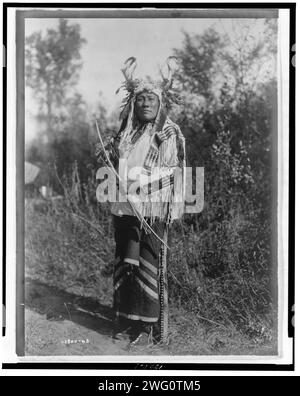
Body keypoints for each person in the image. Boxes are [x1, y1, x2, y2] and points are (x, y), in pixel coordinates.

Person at [97, 57, 186, 346]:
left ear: (161, 104)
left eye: (151, 99)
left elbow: (174, 171)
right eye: (141, 99)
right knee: (126, 263)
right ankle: (125, 320)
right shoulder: (126, 133)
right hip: (126, 209)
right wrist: (108, 157)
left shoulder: (167, 132)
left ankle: (147, 328)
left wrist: (142, 189)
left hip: (152, 210)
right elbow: (116, 166)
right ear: (134, 103)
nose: (146, 104)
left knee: (148, 263)